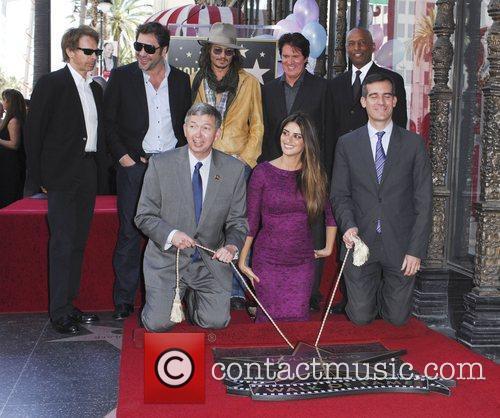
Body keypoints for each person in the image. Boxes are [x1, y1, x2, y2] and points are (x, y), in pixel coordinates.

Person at [135, 103, 248, 332]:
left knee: (216, 321)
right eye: (193, 126)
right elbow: (144, 216)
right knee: (158, 324)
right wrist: (172, 234)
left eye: (206, 128)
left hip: (209, 263)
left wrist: (232, 246)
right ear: (184, 129)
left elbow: (238, 221)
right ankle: (162, 302)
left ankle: (196, 301)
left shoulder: (233, 170)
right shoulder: (160, 164)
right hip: (168, 260)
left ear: (217, 134)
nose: (198, 135)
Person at [105, 22, 191, 321]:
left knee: (171, 233)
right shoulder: (122, 76)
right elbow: (109, 123)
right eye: (138, 46)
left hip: (171, 169)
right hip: (135, 167)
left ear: (164, 50)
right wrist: (125, 158)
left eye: (149, 48)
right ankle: (124, 300)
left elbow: (186, 123)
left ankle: (171, 297)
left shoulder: (180, 80)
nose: (141, 53)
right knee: (129, 233)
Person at [24, 26, 108, 334]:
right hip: (60, 176)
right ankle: (59, 312)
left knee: (78, 243)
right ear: (70, 51)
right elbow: (34, 134)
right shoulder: (52, 84)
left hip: (87, 173)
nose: (93, 58)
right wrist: (40, 177)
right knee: (62, 243)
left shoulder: (95, 88)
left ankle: (69, 305)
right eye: (88, 51)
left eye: (95, 52)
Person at [330, 73, 432, 326]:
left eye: (387, 96)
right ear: (363, 102)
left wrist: (415, 251)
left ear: (395, 101)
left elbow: (424, 202)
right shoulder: (346, 143)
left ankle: (386, 300)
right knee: (360, 317)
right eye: (374, 96)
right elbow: (339, 194)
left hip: (400, 245)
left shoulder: (413, 144)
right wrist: (348, 225)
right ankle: (366, 298)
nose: (381, 102)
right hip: (360, 242)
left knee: (397, 319)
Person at [328, 27, 408, 314]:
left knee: (397, 317)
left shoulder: (393, 82)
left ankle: (384, 295)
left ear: (373, 46)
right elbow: (330, 130)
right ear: (346, 47)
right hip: (352, 179)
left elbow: (401, 129)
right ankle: (358, 296)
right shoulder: (335, 84)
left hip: (387, 190)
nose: (357, 47)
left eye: (363, 42)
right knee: (360, 314)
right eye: (352, 43)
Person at [191, 22, 264, 309]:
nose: (222, 55)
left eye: (227, 52)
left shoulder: (249, 83)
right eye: (217, 50)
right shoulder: (197, 81)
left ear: (235, 55)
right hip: (205, 162)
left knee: (236, 228)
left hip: (237, 163)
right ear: (209, 51)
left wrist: (245, 161)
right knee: (207, 226)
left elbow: (257, 126)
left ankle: (235, 291)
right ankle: (207, 287)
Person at [239, 112, 336, 323]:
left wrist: (329, 247)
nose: (288, 140)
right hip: (267, 261)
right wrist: (243, 259)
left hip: (301, 262)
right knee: (268, 322)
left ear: (306, 142)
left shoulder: (315, 174)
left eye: (297, 136)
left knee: (297, 321)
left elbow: (331, 213)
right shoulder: (262, 172)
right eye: (286, 133)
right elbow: (252, 220)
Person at [260, 32, 330, 312]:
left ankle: (310, 291)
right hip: (277, 169)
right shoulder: (268, 89)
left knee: (312, 226)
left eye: (295, 56)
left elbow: (327, 131)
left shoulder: (321, 89)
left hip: (310, 169)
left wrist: (322, 172)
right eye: (285, 56)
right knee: (277, 225)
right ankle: (274, 285)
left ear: (306, 59)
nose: (290, 61)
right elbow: (266, 133)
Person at [0, 89, 26, 208]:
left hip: (11, 164)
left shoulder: (13, 121)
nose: (3, 102)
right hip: (7, 163)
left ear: (10, 102)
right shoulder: (11, 119)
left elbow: (14, 144)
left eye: (4, 99)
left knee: (9, 194)